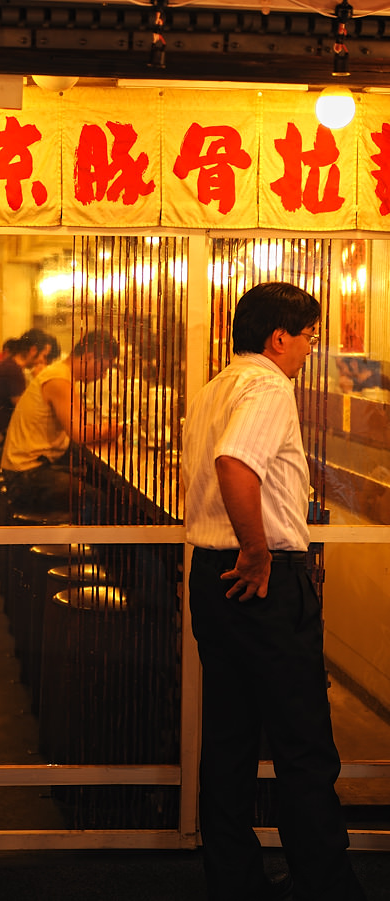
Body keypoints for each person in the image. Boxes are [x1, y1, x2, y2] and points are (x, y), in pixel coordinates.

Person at [181, 282, 367, 901]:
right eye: (310, 336)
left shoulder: (214, 389)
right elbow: (235, 464)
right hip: (262, 581)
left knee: (229, 740)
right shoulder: (267, 387)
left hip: (212, 579)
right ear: (278, 337)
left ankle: (234, 881)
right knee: (303, 743)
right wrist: (258, 552)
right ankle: (324, 885)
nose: (310, 349)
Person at [1, 329, 121, 516]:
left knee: (97, 479)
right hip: (25, 476)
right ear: (89, 357)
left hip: (26, 468)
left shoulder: (61, 374)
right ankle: (92, 544)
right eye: (103, 368)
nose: (104, 375)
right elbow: (79, 433)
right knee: (99, 499)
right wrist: (110, 430)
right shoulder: (58, 379)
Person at [0, 328, 56, 461]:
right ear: (33, 350)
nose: (42, 361)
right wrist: (39, 380)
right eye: (43, 356)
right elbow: (24, 409)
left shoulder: (9, 366)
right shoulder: (12, 371)